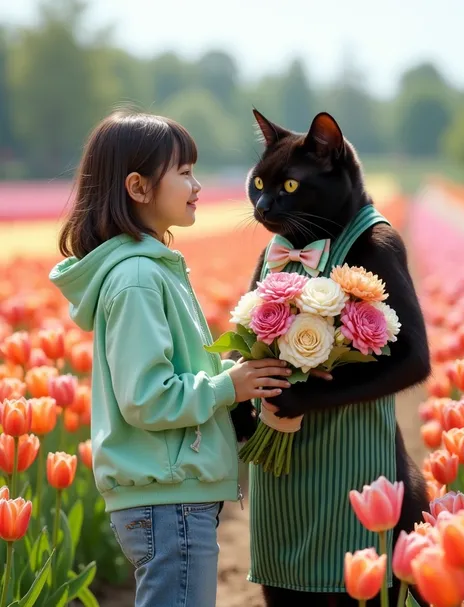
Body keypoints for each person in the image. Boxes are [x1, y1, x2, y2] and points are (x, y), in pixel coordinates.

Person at [49, 111, 292, 607]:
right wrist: (229, 387)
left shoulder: (149, 269)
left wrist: (236, 374)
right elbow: (147, 399)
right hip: (168, 499)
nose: (197, 184)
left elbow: (172, 379)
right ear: (138, 187)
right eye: (183, 172)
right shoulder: (138, 279)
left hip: (169, 496)